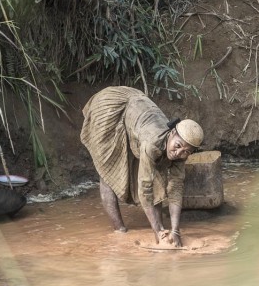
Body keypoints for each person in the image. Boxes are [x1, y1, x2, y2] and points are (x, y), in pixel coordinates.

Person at [80, 86, 203, 247]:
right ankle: (120, 230)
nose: (178, 152)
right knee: (108, 170)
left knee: (158, 177)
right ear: (172, 133)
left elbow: (176, 189)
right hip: (111, 109)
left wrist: (175, 230)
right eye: (178, 145)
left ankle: (160, 228)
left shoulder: (181, 151)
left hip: (137, 113)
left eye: (186, 151)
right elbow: (145, 188)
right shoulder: (152, 144)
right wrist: (157, 231)